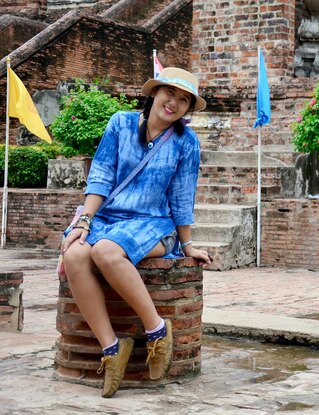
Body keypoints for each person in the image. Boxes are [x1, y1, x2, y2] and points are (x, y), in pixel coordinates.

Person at [61, 67, 212, 398]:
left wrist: (187, 245)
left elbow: (182, 196)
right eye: (169, 93)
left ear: (187, 109)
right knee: (75, 254)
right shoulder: (120, 124)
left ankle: (157, 330)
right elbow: (101, 175)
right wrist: (85, 220)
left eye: (184, 99)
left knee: (104, 251)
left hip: (153, 222)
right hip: (109, 217)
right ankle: (112, 349)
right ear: (154, 94)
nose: (174, 103)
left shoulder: (186, 142)